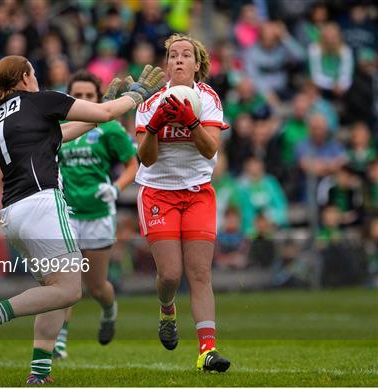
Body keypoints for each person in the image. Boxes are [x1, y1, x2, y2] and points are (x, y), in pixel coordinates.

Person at [0, 55, 164, 384]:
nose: (37, 76)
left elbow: (66, 131)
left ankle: (39, 373)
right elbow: (103, 115)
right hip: (42, 202)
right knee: (70, 290)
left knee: (53, 289)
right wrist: (136, 95)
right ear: (25, 77)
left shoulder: (2, 113)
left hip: (14, 212)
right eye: (33, 71)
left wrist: (106, 104)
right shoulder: (40, 101)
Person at [134, 33, 230, 372]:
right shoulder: (149, 104)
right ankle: (166, 307)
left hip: (197, 192)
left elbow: (210, 149)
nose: (178, 60)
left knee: (200, 273)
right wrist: (157, 125)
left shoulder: (208, 99)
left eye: (185, 55)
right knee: (171, 275)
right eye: (173, 55)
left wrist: (190, 121)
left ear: (197, 64)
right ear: (166, 65)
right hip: (158, 192)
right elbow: (145, 158)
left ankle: (207, 351)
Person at [53, 70, 139, 358]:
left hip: (98, 214)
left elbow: (132, 165)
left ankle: (108, 309)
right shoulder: (57, 126)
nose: (83, 100)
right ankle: (59, 339)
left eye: (89, 95)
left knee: (96, 286)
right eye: (77, 95)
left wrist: (115, 188)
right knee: (65, 279)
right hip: (66, 213)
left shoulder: (109, 128)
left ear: (98, 97)